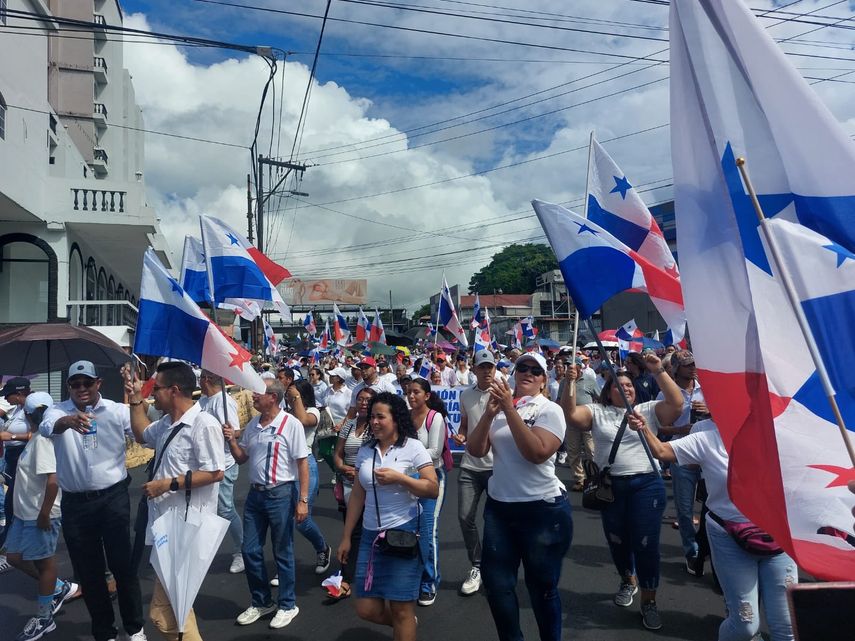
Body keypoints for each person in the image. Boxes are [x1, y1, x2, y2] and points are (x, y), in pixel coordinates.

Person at [629, 414, 797, 641]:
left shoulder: (782, 436)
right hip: (729, 536)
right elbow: (661, 451)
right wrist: (643, 427)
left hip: (779, 539)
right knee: (745, 625)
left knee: (787, 627)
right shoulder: (707, 438)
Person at [562, 353, 682, 631]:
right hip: (611, 488)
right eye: (618, 384)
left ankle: (649, 600)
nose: (625, 388)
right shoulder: (597, 411)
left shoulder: (650, 409)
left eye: (629, 384)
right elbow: (571, 415)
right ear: (609, 390)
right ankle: (628, 580)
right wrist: (569, 382)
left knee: (645, 544)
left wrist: (659, 371)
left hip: (646, 486)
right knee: (617, 540)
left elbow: (676, 404)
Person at [466, 352, 572, 641]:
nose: (527, 372)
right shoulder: (499, 409)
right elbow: (476, 451)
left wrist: (509, 409)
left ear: (543, 380)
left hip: (542, 510)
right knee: (497, 586)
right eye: (522, 367)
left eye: (535, 370)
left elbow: (536, 453)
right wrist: (490, 413)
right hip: (500, 508)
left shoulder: (550, 409)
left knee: (542, 588)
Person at [40, 361, 147, 641]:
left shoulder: (115, 410)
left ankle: (135, 628)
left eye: (87, 383)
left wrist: (136, 397)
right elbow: (47, 426)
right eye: (75, 384)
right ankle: (104, 632)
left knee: (122, 566)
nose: (82, 389)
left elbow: (144, 432)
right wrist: (69, 421)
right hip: (76, 504)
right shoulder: (58, 410)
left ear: (98, 383)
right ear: (69, 387)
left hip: (112, 498)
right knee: (90, 573)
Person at [127, 362, 225, 641]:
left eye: (155, 389)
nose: (151, 395)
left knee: (166, 611)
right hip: (165, 526)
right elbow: (141, 434)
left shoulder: (203, 424)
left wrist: (166, 484)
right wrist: (135, 398)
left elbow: (215, 471)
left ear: (174, 390)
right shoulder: (167, 423)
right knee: (176, 608)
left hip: (187, 527)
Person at [336, 392, 438, 641]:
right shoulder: (366, 450)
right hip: (372, 537)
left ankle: (405, 625)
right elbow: (359, 495)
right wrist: (347, 537)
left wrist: (401, 478)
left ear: (395, 419)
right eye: (372, 417)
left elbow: (432, 488)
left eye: (380, 416)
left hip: (404, 533)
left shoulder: (412, 447)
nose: (374, 422)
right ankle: (406, 626)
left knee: (401, 607)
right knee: (366, 608)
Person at [224, 379, 308, 630]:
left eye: (257, 393)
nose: (252, 396)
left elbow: (302, 463)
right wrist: (231, 440)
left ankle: (287, 604)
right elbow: (241, 458)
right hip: (255, 496)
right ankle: (262, 602)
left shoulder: (290, 424)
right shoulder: (253, 425)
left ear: (273, 397)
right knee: (250, 550)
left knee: (282, 551)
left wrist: (302, 500)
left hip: (280, 494)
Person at [6, 392, 78, 641]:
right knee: (14, 557)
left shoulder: (44, 440)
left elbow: (53, 481)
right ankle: (60, 587)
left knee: (45, 564)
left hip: (39, 513)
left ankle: (44, 617)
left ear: (27, 414)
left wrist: (45, 514)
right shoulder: (36, 437)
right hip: (24, 513)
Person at [655, 350, 709, 576]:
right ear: (676, 368)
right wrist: (680, 429)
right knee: (685, 511)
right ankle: (692, 551)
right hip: (681, 454)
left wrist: (711, 411)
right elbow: (657, 426)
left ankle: (708, 544)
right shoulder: (665, 393)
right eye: (687, 365)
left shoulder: (706, 389)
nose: (692, 368)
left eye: (694, 364)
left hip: (707, 454)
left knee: (711, 508)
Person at [453, 350, 495, 596]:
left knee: (494, 522)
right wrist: (460, 434)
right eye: (483, 367)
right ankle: (477, 565)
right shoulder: (466, 395)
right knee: (464, 517)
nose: (487, 371)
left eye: (490, 366)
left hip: (497, 468)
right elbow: (465, 425)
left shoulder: (503, 392)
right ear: (475, 369)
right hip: (469, 466)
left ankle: (494, 565)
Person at [329, 387, 377, 600]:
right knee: (351, 529)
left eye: (368, 400)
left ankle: (348, 578)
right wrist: (342, 468)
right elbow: (337, 453)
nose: (364, 403)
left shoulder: (376, 427)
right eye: (360, 400)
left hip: (368, 484)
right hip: (347, 483)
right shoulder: (348, 425)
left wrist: (359, 473)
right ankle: (351, 573)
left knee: (359, 530)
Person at [407, 377, 449, 607]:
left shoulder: (436, 418)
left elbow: (434, 451)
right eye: (409, 392)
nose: (411, 396)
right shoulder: (405, 416)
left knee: (428, 531)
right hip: (409, 480)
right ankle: (415, 574)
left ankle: (429, 582)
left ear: (427, 395)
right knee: (410, 529)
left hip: (432, 479)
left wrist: (407, 453)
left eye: (416, 392)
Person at [284, 379, 332, 575]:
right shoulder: (285, 414)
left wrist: (295, 398)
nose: (288, 398)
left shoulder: (312, 412)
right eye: (288, 395)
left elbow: (303, 421)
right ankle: (285, 564)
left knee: (301, 520)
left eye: (293, 394)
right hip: (285, 468)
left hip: (306, 466)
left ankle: (322, 548)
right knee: (283, 520)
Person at [0, 377, 34, 555]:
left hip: (23, 455)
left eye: (8, 395)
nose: (6, 399)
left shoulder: (31, 408)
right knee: (12, 501)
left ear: (19, 393)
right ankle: (10, 540)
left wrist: (11, 437)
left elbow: (37, 434)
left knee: (13, 501)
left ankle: (11, 545)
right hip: (12, 457)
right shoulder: (18, 409)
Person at [558, 358, 597, 491]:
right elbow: (559, 400)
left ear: (580, 367)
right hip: (570, 421)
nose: (570, 368)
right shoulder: (564, 383)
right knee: (573, 451)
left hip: (587, 420)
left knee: (591, 450)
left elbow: (600, 396)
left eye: (573, 366)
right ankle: (579, 479)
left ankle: (594, 477)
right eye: (568, 365)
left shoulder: (590, 381)